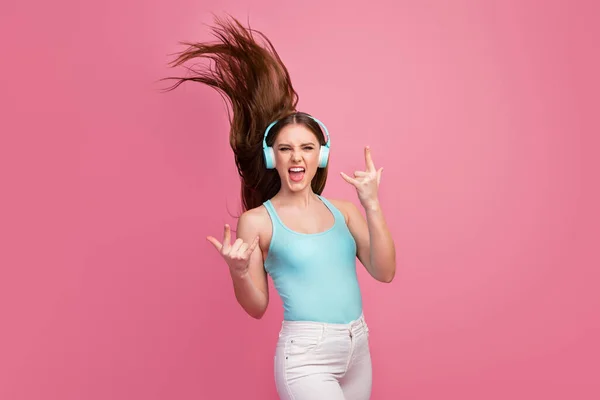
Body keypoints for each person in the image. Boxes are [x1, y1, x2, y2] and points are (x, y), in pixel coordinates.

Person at [164, 15, 396, 400]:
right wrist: (239, 272)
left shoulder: (345, 212)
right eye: (285, 149)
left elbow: (385, 272)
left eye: (306, 148)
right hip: (306, 355)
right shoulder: (257, 222)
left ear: (320, 157)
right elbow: (257, 307)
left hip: (358, 347)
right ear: (272, 158)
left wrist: (371, 205)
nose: (295, 157)